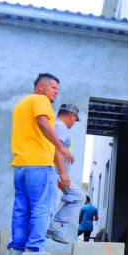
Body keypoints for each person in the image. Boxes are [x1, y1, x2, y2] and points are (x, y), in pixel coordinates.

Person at [7, 73, 75, 255]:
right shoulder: (40, 100)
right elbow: (43, 124)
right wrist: (61, 148)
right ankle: (35, 250)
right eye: (54, 88)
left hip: (21, 166)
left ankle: (16, 251)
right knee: (41, 208)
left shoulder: (21, 105)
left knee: (21, 209)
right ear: (41, 87)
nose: (56, 92)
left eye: (57, 90)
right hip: (39, 165)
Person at [46, 103, 82, 243]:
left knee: (77, 196)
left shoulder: (59, 127)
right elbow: (56, 150)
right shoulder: (61, 127)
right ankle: (43, 234)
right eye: (75, 119)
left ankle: (53, 227)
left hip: (58, 174)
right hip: (56, 174)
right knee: (48, 205)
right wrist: (63, 173)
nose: (74, 123)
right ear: (72, 116)